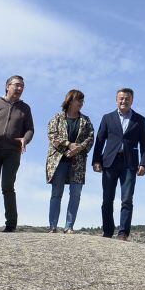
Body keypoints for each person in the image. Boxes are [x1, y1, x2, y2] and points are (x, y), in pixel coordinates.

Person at [92, 87, 145, 240]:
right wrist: (96, 160)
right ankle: (107, 231)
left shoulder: (139, 119)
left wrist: (144, 164)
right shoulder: (107, 118)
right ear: (116, 99)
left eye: (127, 98)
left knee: (127, 199)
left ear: (132, 100)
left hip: (129, 164)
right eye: (121, 98)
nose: (124, 101)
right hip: (109, 162)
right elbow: (99, 141)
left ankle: (123, 233)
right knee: (107, 199)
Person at [0, 75, 34, 232]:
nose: (20, 88)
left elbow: (30, 129)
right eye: (17, 85)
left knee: (8, 186)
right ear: (7, 86)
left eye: (22, 86)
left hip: (13, 152)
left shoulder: (25, 108)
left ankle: (11, 224)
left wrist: (25, 139)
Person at [46, 89, 95, 233]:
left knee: (76, 194)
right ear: (70, 100)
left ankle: (69, 226)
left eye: (82, 101)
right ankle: (52, 226)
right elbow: (51, 135)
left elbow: (90, 138)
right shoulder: (58, 118)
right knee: (56, 193)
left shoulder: (85, 121)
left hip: (78, 161)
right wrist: (68, 144)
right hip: (58, 161)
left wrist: (78, 148)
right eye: (78, 100)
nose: (81, 103)